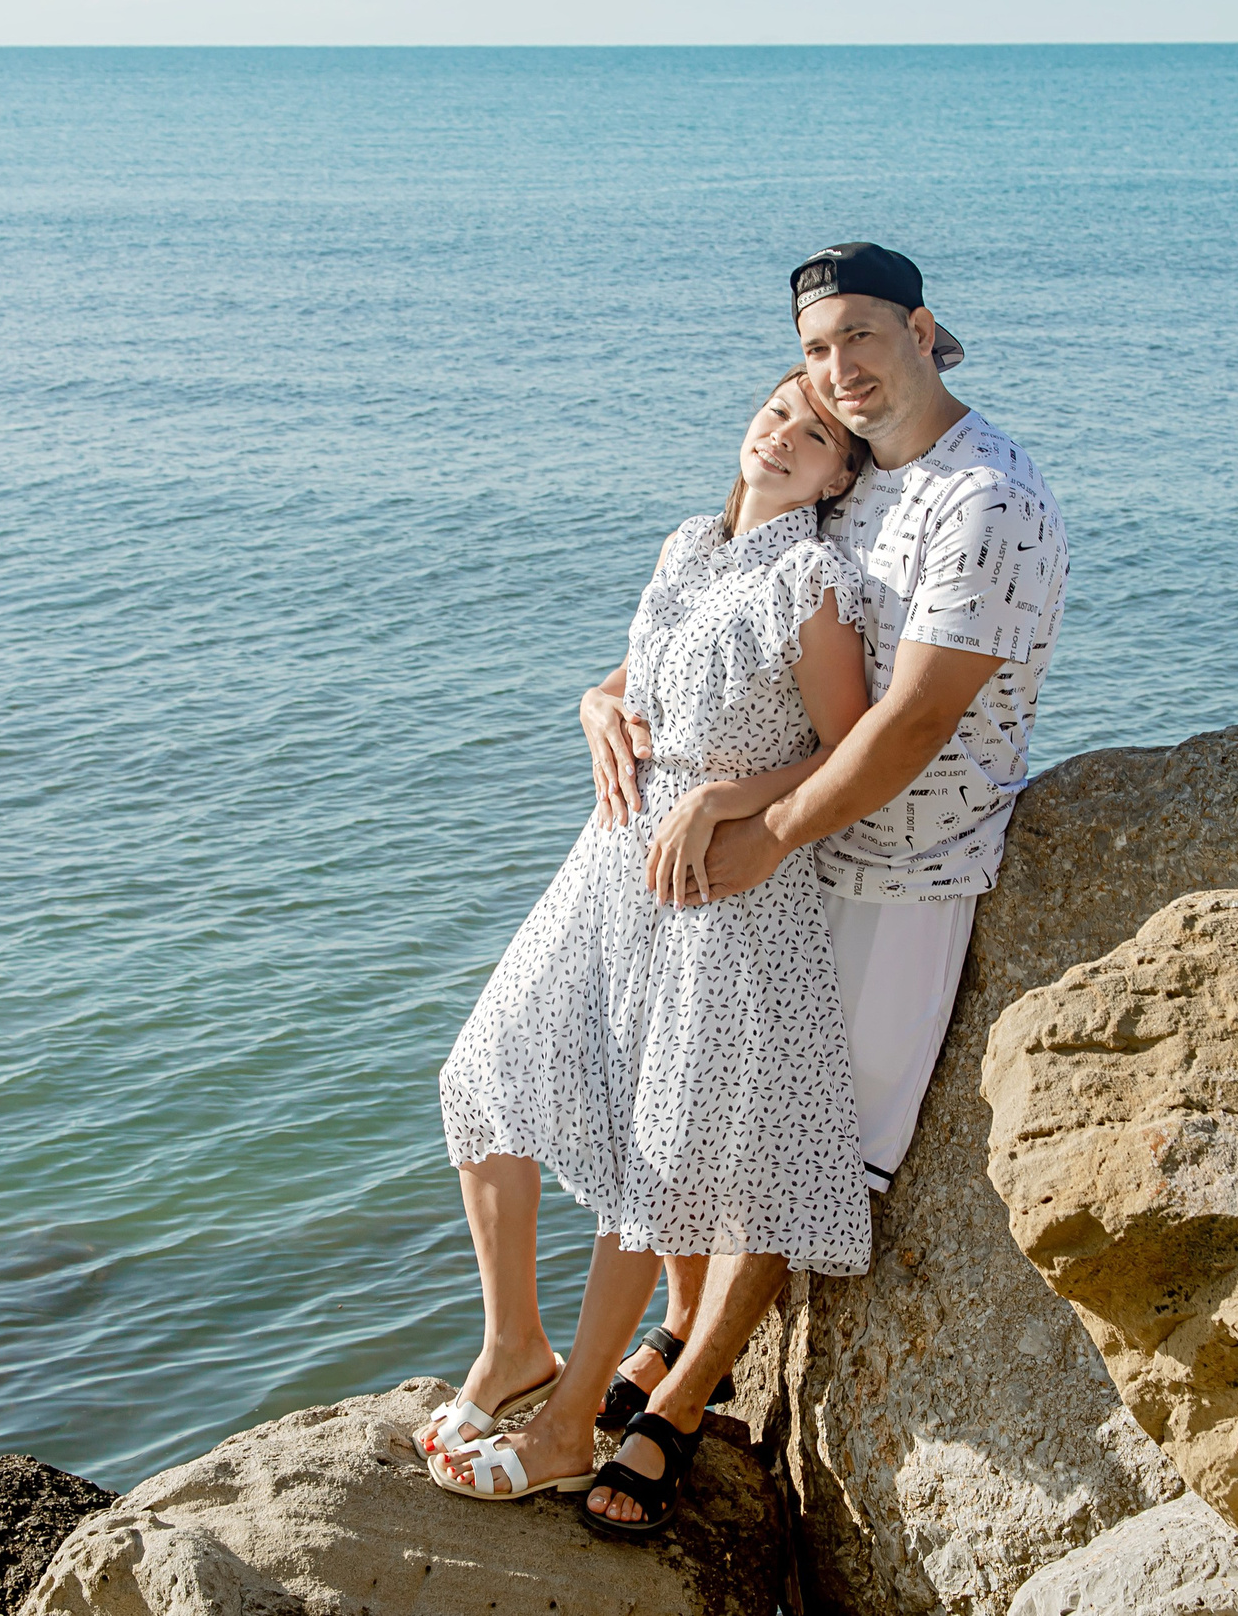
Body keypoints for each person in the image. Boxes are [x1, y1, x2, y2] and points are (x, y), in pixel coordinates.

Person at [577, 242, 1069, 1530]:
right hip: (792, 849)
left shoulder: (987, 500)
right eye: (812, 349)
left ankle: (684, 1408)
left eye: (859, 336)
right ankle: (684, 1333)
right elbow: (726, 621)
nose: (835, 369)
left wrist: (769, 823)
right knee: (701, 1099)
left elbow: (910, 726)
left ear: (921, 329)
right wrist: (603, 700)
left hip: (905, 869)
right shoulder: (850, 482)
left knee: (814, 1145)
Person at [423, 365, 878, 1528]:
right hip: (609, 856)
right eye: (776, 410)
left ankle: (574, 1420)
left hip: (714, 884)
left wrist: (727, 796)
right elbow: (638, 681)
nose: (781, 434)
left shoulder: (811, 581)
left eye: (814, 433)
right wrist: (593, 704)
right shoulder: (690, 544)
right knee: (481, 1074)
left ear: (839, 475)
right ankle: (513, 1345)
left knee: (652, 1152)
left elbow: (851, 751)